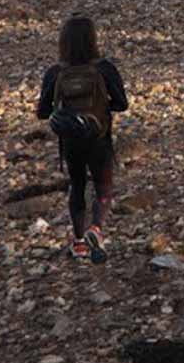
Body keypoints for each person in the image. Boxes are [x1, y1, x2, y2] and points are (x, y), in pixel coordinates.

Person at [35, 14, 129, 264]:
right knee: (103, 186)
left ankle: (78, 244)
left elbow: (43, 111)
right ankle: (95, 228)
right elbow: (122, 104)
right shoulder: (104, 68)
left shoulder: (55, 72)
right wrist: (99, 108)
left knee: (76, 186)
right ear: (93, 39)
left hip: (70, 140)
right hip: (98, 136)